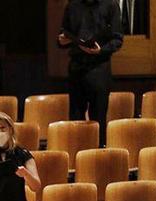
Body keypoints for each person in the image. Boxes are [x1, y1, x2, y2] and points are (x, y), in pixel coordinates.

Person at [58, 0, 124, 147]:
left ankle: (99, 153)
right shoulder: (72, 5)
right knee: (76, 117)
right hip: (76, 66)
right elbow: (64, 34)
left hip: (99, 67)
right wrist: (62, 40)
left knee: (99, 116)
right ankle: (77, 154)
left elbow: (118, 39)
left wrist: (101, 50)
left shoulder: (110, 5)